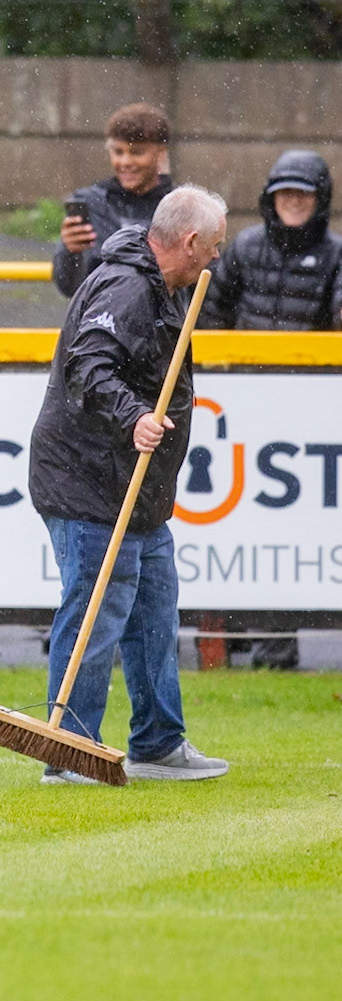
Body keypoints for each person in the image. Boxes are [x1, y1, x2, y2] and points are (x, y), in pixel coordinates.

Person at [29, 184, 231, 784]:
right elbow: (87, 362)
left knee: (153, 613)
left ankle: (158, 743)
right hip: (86, 480)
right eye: (214, 247)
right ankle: (69, 749)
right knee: (98, 607)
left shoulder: (167, 287)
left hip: (136, 486)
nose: (216, 259)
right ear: (190, 242)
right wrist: (135, 416)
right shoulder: (128, 286)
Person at [198, 150, 342, 670]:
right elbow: (212, 315)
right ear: (270, 198)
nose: (293, 203)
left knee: (289, 533)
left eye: (303, 194)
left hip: (305, 413)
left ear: (320, 199)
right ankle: (234, 638)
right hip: (243, 407)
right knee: (237, 529)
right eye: (285, 194)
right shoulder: (244, 247)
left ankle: (277, 644)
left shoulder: (335, 255)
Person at [54, 102, 176, 299]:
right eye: (118, 152)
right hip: (100, 317)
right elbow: (69, 286)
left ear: (161, 153)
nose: (125, 162)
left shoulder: (180, 207)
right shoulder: (92, 203)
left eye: (136, 152)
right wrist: (70, 252)